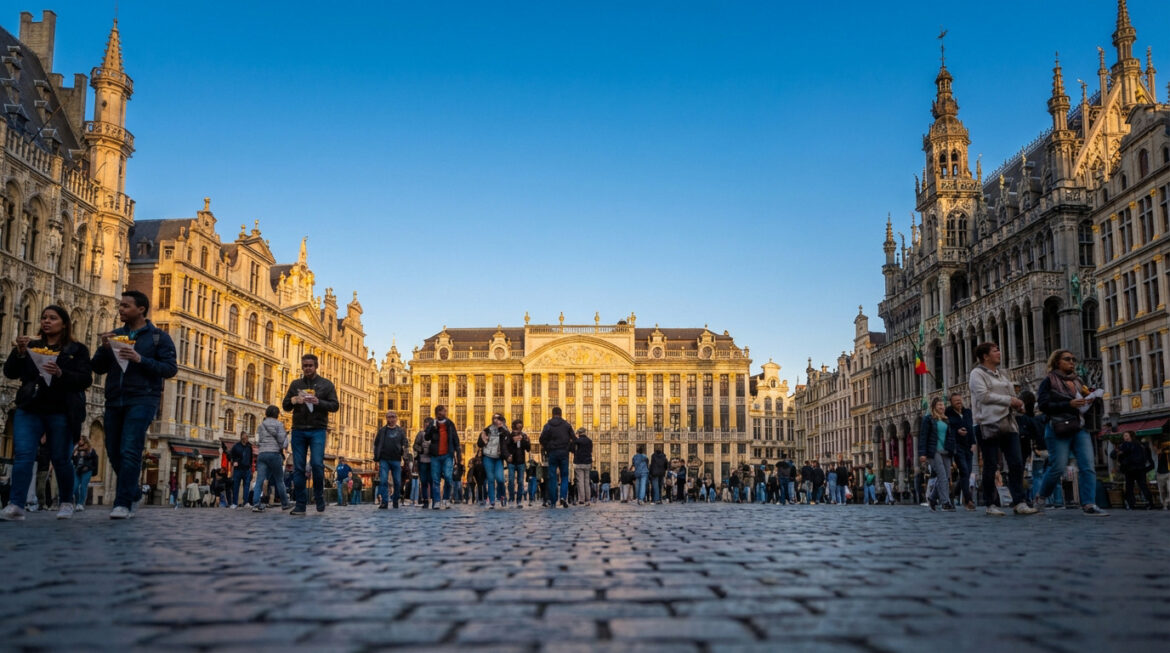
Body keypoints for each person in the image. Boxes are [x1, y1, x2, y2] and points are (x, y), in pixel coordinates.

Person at [90, 292, 177, 520]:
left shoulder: (159, 338)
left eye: (125, 306)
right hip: (115, 399)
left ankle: (123, 503)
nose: (120, 309)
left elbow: (169, 369)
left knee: (130, 449)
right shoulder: (115, 336)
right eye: (120, 305)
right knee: (113, 449)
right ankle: (133, 492)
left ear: (141, 309)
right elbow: (97, 368)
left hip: (143, 399)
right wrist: (104, 348)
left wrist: (140, 359)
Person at [1, 306, 92, 521]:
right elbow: (10, 372)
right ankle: (16, 504)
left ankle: (67, 501)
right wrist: (20, 353)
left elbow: (85, 379)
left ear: (64, 323)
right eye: (43, 318)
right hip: (30, 407)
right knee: (23, 456)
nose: (46, 321)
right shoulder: (32, 345)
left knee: (61, 458)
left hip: (61, 410)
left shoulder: (76, 350)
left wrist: (61, 373)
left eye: (52, 318)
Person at [1034, 349, 1107, 516]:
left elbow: (1082, 404)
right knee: (1057, 468)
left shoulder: (1078, 381)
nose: (1072, 362)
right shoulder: (1049, 381)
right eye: (1067, 359)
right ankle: (1041, 497)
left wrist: (1090, 398)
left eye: (1073, 359)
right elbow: (1043, 405)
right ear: (1057, 362)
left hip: (1079, 428)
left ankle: (1089, 504)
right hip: (1059, 428)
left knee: (1088, 466)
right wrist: (1069, 404)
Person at [969, 342, 1036, 517]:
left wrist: (1017, 405)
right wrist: (1009, 400)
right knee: (991, 465)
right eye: (995, 350)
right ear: (985, 356)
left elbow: (1011, 396)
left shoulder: (1003, 375)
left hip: (1008, 422)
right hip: (987, 423)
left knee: (1016, 463)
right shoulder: (977, 374)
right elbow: (983, 396)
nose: (999, 352)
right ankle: (990, 503)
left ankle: (1019, 501)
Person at [282, 353, 341, 516]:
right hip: (299, 429)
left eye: (310, 365)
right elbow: (285, 405)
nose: (307, 368)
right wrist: (294, 400)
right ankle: (300, 504)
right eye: (305, 365)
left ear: (316, 366)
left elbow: (335, 406)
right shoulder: (296, 384)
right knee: (298, 467)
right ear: (302, 366)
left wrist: (318, 402)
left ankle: (319, 496)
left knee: (316, 464)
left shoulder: (326, 385)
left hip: (318, 429)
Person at [918, 397, 956, 511]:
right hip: (934, 451)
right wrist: (922, 453)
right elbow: (923, 436)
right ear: (934, 407)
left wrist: (953, 452)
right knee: (943, 477)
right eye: (939, 405)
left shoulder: (946, 420)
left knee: (945, 477)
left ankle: (932, 498)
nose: (942, 407)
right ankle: (945, 503)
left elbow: (950, 437)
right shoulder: (928, 419)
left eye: (943, 405)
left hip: (946, 451)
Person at [251, 405, 290, 512]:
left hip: (262, 454)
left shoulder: (261, 425)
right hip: (274, 453)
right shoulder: (279, 425)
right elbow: (283, 442)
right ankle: (285, 503)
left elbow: (257, 441)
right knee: (279, 480)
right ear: (276, 414)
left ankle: (255, 503)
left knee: (260, 480)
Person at [424, 405, 461, 510]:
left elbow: (455, 439)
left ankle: (446, 498)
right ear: (436, 414)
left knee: (448, 478)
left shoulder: (450, 424)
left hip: (447, 455)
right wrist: (432, 428)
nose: (442, 415)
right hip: (435, 455)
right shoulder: (433, 424)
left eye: (444, 412)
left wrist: (458, 454)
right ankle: (436, 501)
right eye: (440, 413)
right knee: (436, 480)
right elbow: (427, 437)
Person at [539, 407, 575, 508]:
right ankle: (563, 497)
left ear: (552, 414)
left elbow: (541, 439)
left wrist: (548, 448)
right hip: (564, 453)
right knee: (564, 476)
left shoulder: (548, 425)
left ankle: (553, 500)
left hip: (553, 453)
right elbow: (574, 438)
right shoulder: (567, 425)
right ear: (561, 413)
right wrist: (569, 448)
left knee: (552, 477)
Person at [945, 393, 976, 510]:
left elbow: (971, 427)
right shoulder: (948, 413)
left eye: (960, 400)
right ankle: (968, 500)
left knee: (966, 473)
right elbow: (947, 429)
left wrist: (973, 442)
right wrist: (957, 431)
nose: (958, 402)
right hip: (956, 446)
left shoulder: (967, 412)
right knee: (963, 470)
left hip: (968, 445)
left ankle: (954, 493)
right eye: (956, 401)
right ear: (951, 402)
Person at [373, 410, 408, 509]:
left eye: (393, 417)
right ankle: (384, 501)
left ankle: (395, 500)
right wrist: (376, 456)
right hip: (384, 459)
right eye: (389, 417)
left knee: (397, 481)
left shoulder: (400, 431)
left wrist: (405, 457)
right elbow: (376, 444)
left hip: (396, 459)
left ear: (396, 419)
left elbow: (405, 444)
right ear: (386, 418)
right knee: (383, 480)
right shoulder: (382, 431)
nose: (391, 419)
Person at [1112, 431, 1154, 510]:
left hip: (1136, 469)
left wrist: (1124, 460)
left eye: (1126, 435)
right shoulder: (1124, 445)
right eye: (1124, 435)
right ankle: (1133, 504)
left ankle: (1148, 503)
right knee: (1130, 487)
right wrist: (1117, 452)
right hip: (1132, 470)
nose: (1125, 437)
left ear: (1131, 436)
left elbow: (1138, 457)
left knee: (1141, 486)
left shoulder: (1136, 445)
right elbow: (1113, 455)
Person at [478, 413, 509, 509]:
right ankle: (492, 501)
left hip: (498, 457)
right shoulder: (487, 430)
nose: (496, 420)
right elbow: (479, 444)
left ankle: (502, 495)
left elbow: (508, 442)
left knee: (500, 479)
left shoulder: (504, 431)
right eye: (494, 418)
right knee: (490, 479)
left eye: (498, 418)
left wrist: (502, 428)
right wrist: (483, 439)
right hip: (488, 456)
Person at [504, 420, 530, 508]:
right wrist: (512, 440)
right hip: (511, 461)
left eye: (520, 428)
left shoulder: (524, 436)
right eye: (517, 428)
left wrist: (525, 441)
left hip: (521, 461)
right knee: (511, 480)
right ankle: (511, 498)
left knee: (520, 481)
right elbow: (505, 446)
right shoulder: (509, 436)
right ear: (513, 427)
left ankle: (519, 500)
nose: (518, 430)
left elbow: (528, 449)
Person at [413, 417, 434, 508]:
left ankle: (434, 499)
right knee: (424, 481)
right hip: (422, 460)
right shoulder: (421, 434)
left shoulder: (435, 434)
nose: (427, 425)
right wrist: (420, 450)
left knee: (432, 481)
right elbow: (415, 445)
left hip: (432, 461)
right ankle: (425, 500)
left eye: (429, 424)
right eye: (425, 423)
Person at [72, 437, 99, 511]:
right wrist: (74, 455)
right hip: (77, 471)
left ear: (85, 441)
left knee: (83, 487)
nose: (79, 441)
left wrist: (92, 469)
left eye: (81, 439)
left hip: (87, 471)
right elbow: (74, 460)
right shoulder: (76, 449)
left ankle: (80, 503)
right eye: (79, 439)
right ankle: (77, 502)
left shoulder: (90, 450)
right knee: (75, 487)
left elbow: (95, 460)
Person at [229, 432, 254, 508]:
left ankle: (246, 502)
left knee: (246, 486)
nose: (247, 439)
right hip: (238, 469)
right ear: (242, 438)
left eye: (247, 437)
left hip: (247, 469)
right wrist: (233, 462)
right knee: (236, 486)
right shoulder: (236, 446)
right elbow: (230, 455)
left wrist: (251, 468)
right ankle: (235, 503)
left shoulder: (249, 446)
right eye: (246, 437)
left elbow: (251, 458)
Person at [571, 427, 594, 507]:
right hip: (587, 462)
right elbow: (591, 451)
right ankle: (588, 499)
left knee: (580, 481)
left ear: (578, 433)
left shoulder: (577, 441)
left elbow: (572, 449)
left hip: (578, 462)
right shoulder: (589, 441)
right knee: (586, 481)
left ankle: (581, 499)